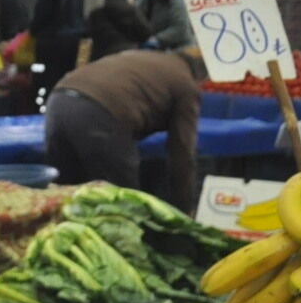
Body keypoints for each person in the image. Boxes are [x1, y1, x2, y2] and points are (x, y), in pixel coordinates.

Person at [45, 46, 207, 212]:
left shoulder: (144, 56)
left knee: (66, 201)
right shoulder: (186, 83)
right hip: (100, 114)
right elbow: (182, 152)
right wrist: (183, 211)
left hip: (58, 101)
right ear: (203, 75)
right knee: (123, 206)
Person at [85, 0, 151, 60]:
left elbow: (87, 35)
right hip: (127, 56)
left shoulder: (96, 14)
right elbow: (146, 33)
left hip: (101, 58)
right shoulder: (132, 12)